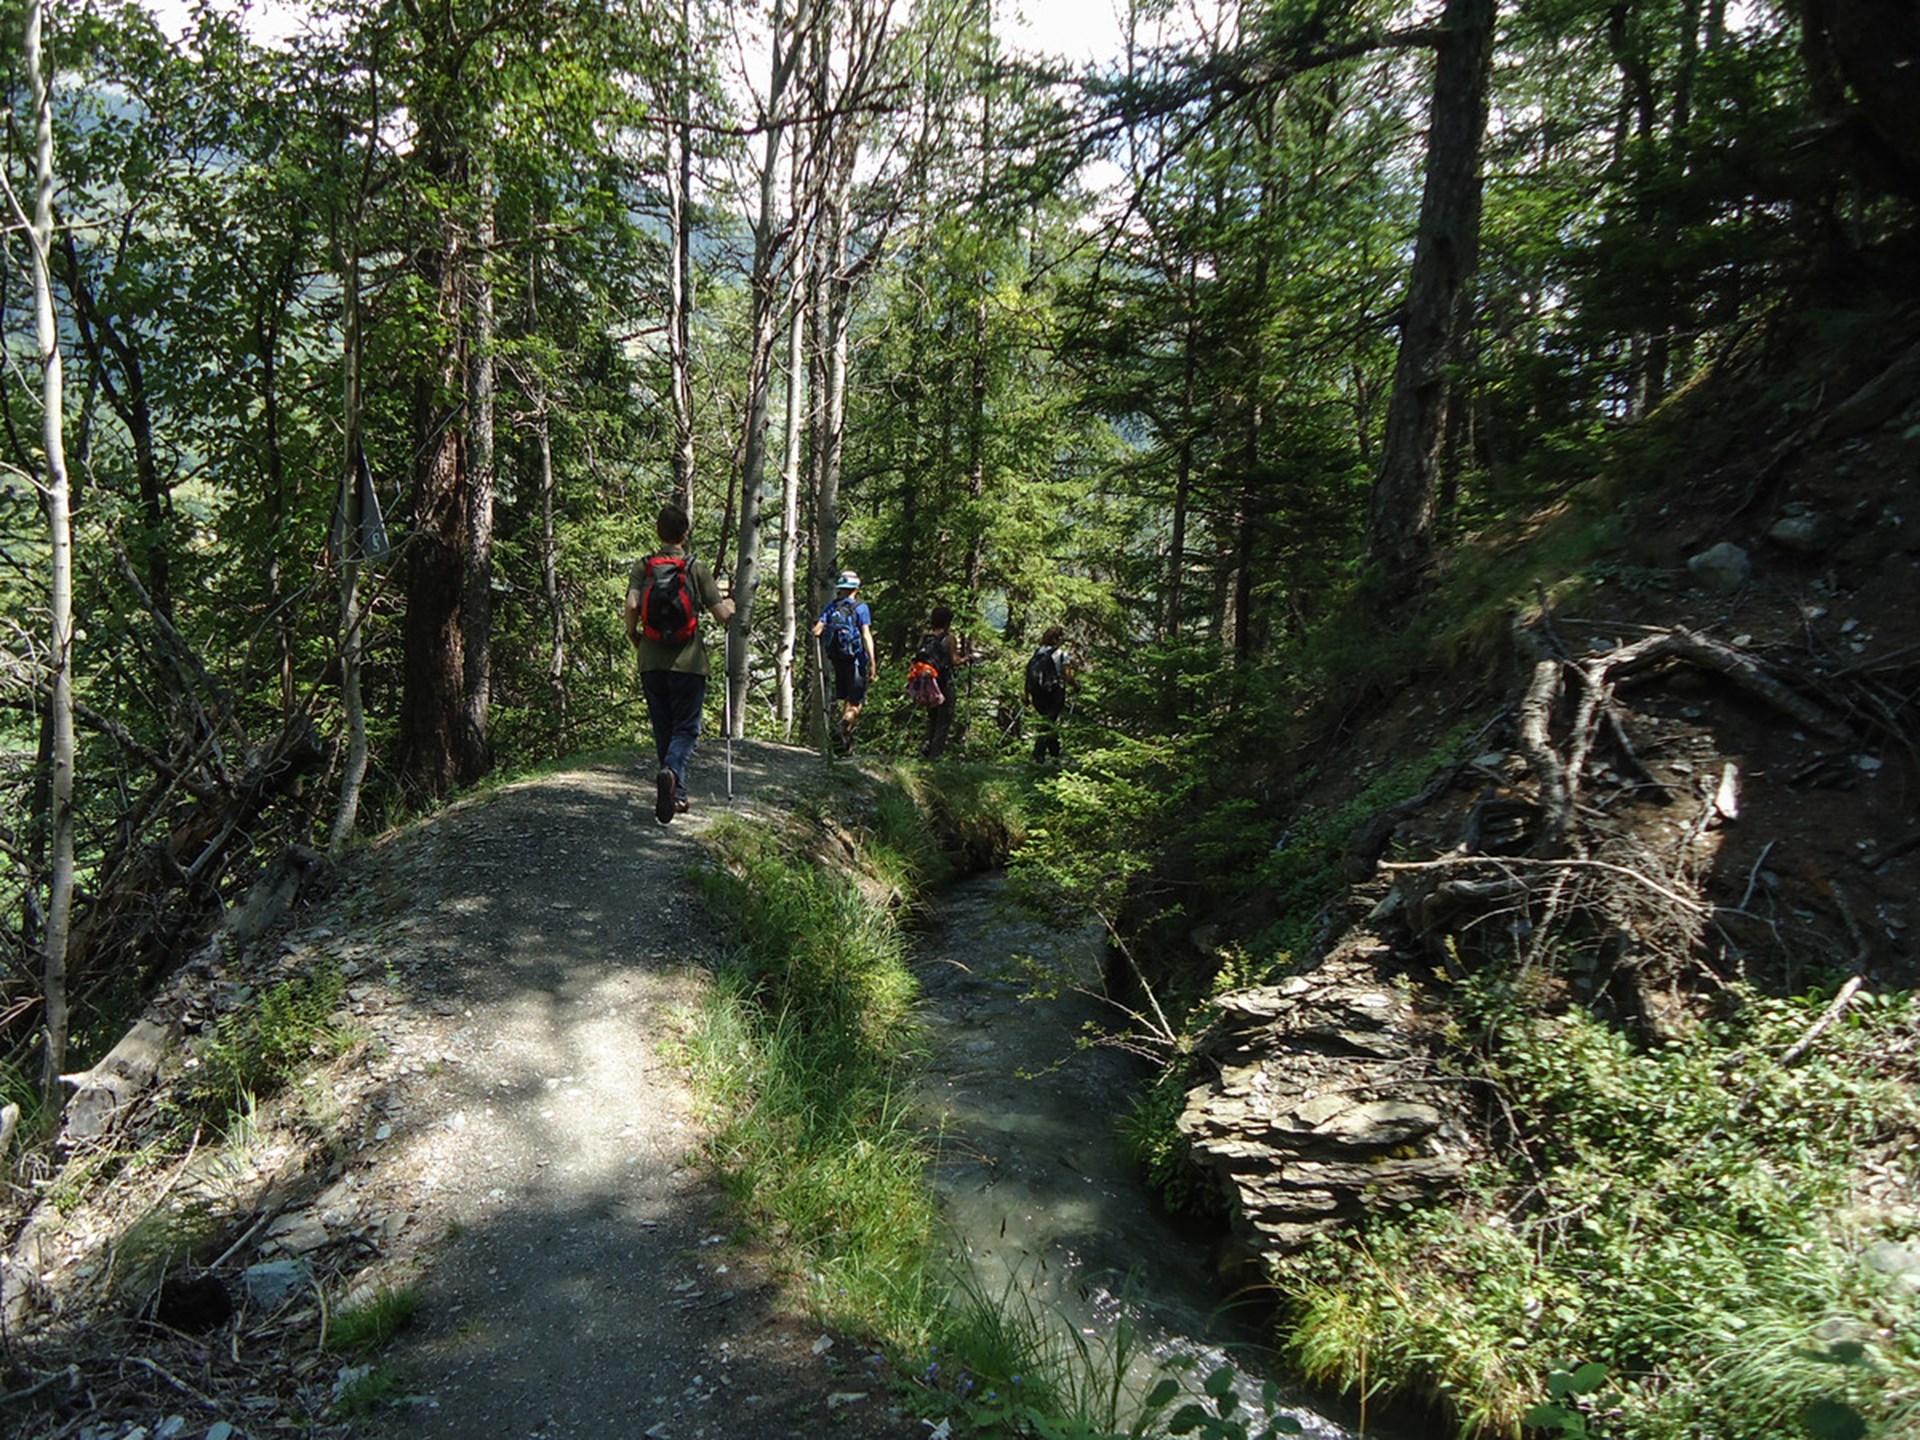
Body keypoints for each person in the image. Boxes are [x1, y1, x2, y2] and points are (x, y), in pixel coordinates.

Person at [625, 504, 735, 825]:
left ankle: (677, 795)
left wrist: (633, 634)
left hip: (650, 658)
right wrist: (730, 604)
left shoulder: (644, 566)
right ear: (685, 534)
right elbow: (721, 615)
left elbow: (632, 603)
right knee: (686, 729)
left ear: (658, 531)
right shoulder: (695, 568)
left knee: (664, 728)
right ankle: (672, 773)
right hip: (688, 662)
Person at [811, 570, 875, 757]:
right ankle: (843, 726)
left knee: (846, 699)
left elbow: (817, 630)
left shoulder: (832, 606)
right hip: (856, 660)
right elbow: (866, 635)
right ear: (856, 588)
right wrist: (872, 662)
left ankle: (844, 747)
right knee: (855, 702)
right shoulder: (861, 608)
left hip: (838, 660)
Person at [916, 604, 967, 760]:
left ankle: (925, 746)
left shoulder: (925, 638)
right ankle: (935, 755)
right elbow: (954, 660)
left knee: (932, 717)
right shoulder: (949, 639)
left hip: (928, 683)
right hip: (944, 682)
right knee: (944, 719)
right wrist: (967, 659)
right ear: (947, 622)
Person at [1024, 625, 1074, 763]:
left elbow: (1029, 674)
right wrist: (1076, 686)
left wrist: (1026, 694)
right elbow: (1068, 676)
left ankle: (1055, 752)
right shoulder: (1062, 654)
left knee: (1048, 721)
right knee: (1048, 722)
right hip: (1055, 692)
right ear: (1058, 639)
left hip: (1036, 693)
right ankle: (1038, 753)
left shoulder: (1037, 653)